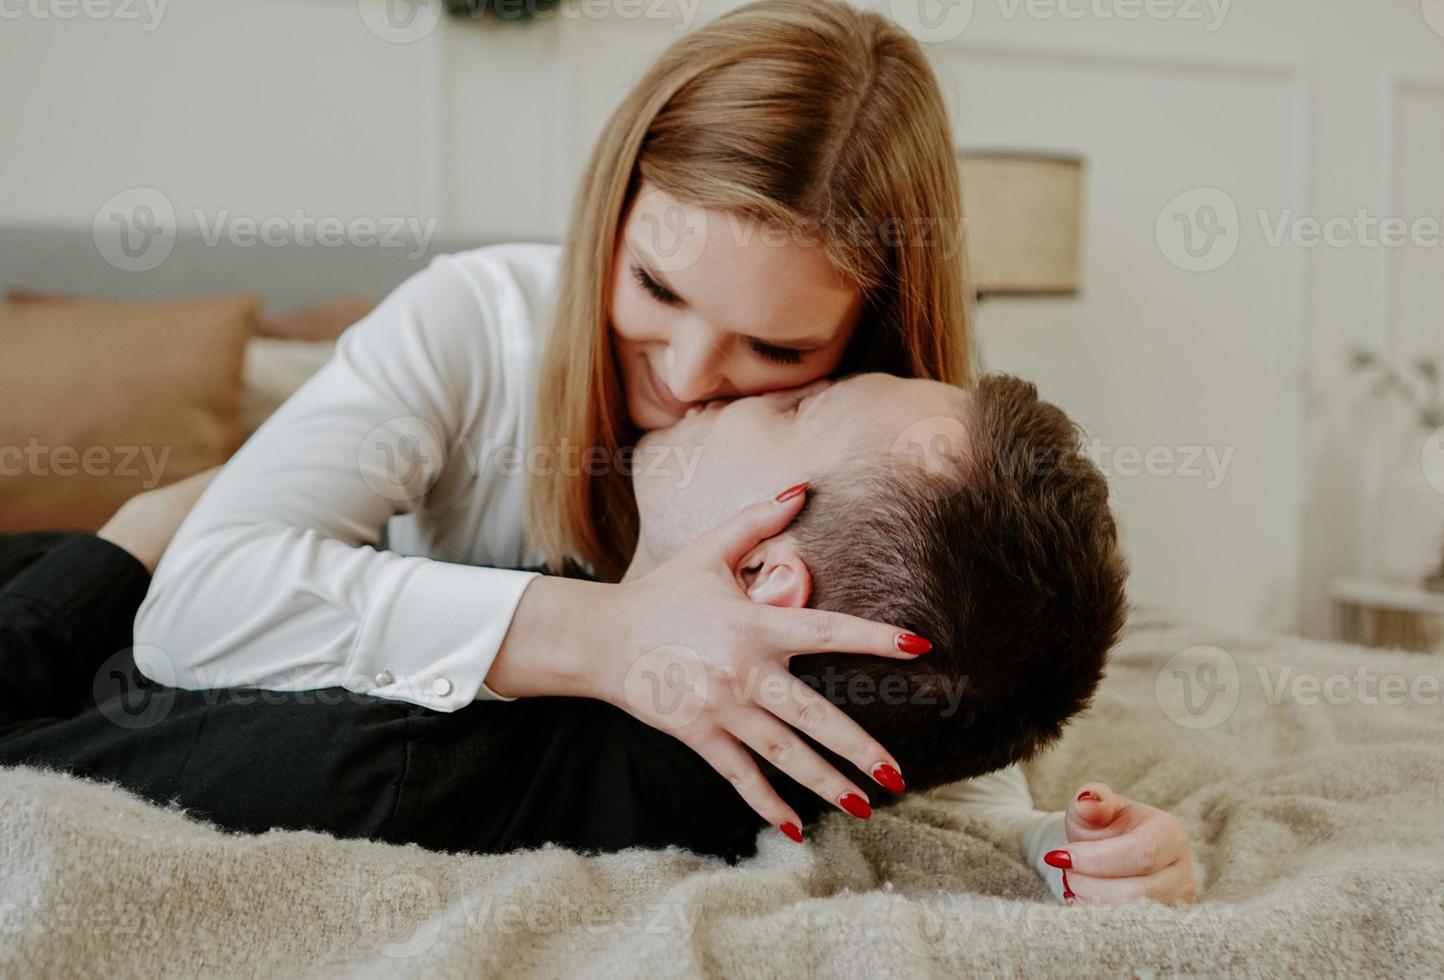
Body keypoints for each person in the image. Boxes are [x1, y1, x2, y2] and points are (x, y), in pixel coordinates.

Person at [125, 0, 1192, 901]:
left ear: (864, 342)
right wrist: (607, 634)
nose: (683, 377)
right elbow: (190, 613)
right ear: (612, 217)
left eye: (779, 349)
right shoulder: (475, 325)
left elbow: (925, 676)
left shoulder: (885, 432)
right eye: (655, 288)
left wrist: (1040, 843)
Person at [1, 374, 1195, 904]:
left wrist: (129, 543)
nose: (710, 383)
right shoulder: (809, 735)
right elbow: (967, 682)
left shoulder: (406, 755)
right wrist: (1056, 840)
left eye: (791, 405)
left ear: (770, 582)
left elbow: (53, 753)